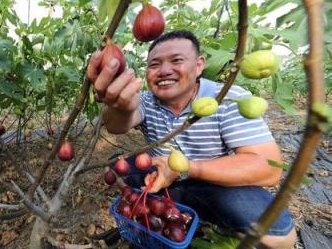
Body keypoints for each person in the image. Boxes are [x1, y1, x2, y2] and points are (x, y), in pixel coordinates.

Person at [87, 30, 296, 249]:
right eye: (155, 64)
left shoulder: (228, 99)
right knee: (114, 167)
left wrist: (185, 168)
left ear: (199, 65)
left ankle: (206, 226)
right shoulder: (147, 101)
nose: (165, 70)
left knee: (279, 236)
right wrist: (118, 106)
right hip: (160, 175)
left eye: (177, 60)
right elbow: (116, 124)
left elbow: (268, 167)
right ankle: (164, 215)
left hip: (213, 181)